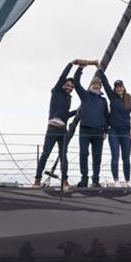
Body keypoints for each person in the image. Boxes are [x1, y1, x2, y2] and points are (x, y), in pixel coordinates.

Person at [34, 62, 77, 190]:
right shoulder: (57, 91)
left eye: (72, 87)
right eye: (68, 85)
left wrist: (76, 112)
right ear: (64, 84)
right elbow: (62, 77)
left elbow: (64, 115)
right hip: (52, 128)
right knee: (46, 153)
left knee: (63, 155)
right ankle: (37, 179)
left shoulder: (69, 98)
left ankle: (64, 180)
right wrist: (71, 65)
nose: (69, 87)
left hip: (63, 130)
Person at [98, 70, 131, 187]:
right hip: (114, 131)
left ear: (123, 87)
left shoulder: (130, 99)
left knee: (126, 157)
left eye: (120, 86)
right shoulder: (112, 97)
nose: (119, 89)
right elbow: (105, 83)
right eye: (117, 87)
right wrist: (99, 69)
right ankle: (116, 180)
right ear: (115, 89)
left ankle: (128, 180)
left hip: (126, 132)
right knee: (115, 156)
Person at [74, 61, 109, 187]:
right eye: (94, 84)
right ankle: (84, 178)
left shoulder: (104, 101)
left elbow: (107, 116)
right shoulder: (85, 96)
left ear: (100, 87)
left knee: (97, 157)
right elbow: (76, 83)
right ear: (90, 86)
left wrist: (106, 130)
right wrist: (80, 69)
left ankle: (95, 180)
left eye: (98, 84)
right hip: (85, 130)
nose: (96, 86)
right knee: (83, 154)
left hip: (99, 132)